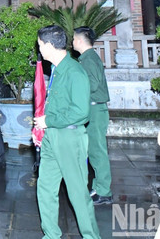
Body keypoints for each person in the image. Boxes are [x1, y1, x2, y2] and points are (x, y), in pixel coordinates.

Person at [34, 25, 100, 239]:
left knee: (78, 192)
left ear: (50, 46)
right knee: (45, 187)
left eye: (40, 44)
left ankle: (92, 236)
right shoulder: (57, 69)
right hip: (52, 136)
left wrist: (49, 120)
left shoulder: (74, 71)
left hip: (70, 137)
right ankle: (51, 234)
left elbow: (82, 112)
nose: (39, 49)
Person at [73, 27, 113, 205]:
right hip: (93, 108)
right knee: (93, 150)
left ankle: (104, 191)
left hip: (95, 109)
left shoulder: (88, 59)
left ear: (80, 41)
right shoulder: (87, 58)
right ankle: (99, 187)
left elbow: (94, 85)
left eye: (74, 39)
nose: (72, 42)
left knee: (97, 151)